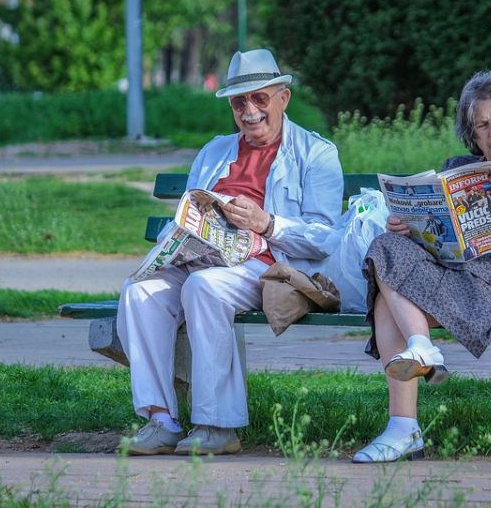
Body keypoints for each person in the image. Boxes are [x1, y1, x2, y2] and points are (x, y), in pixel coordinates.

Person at [117, 49, 343, 456]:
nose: (250, 110)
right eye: (240, 102)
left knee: (205, 288)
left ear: (283, 98)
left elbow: (325, 238)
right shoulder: (214, 151)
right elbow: (189, 211)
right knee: (139, 291)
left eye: (260, 98)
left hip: (269, 266)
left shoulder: (316, 153)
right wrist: (178, 240)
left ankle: (218, 426)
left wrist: (266, 223)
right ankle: (161, 419)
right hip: (205, 259)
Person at [352, 70, 491, 463]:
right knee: (385, 245)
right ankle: (421, 352)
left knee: (386, 302)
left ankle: (403, 425)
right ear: (472, 135)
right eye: (482, 126)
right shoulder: (458, 168)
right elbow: (436, 236)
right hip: (451, 275)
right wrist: (410, 227)